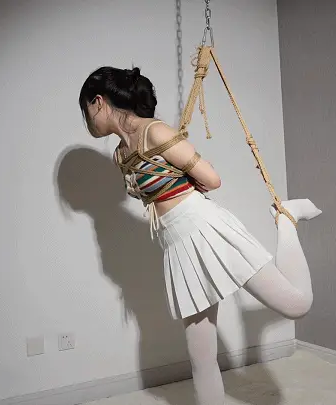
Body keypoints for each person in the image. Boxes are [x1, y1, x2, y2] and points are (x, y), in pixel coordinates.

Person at [79, 66, 322, 405]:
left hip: (204, 228)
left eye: (86, 111)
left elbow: (212, 179)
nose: (87, 121)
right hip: (176, 245)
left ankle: (287, 219)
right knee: (201, 357)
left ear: (98, 101)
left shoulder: (154, 131)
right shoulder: (121, 153)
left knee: (297, 304)